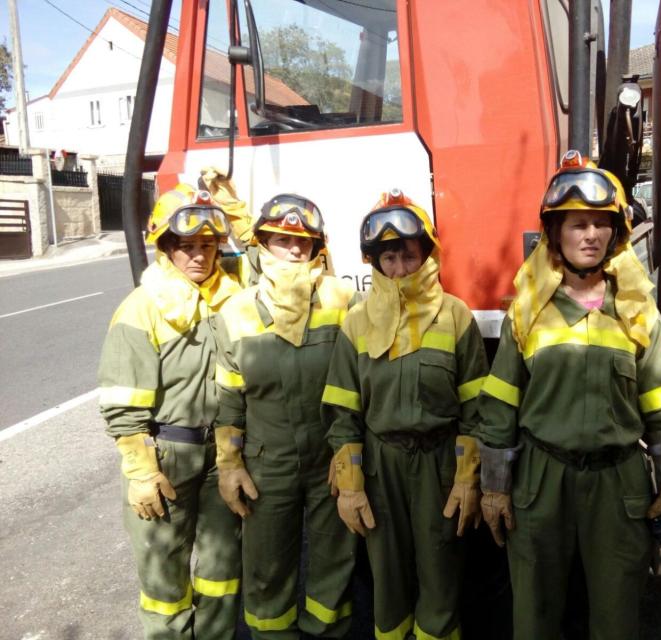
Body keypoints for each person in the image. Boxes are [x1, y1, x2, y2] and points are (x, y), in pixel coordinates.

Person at [475, 151, 661, 640]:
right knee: (534, 611)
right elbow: (499, 408)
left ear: (616, 234)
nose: (590, 235)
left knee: (618, 614)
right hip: (541, 479)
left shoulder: (637, 311)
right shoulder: (527, 313)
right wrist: (493, 486)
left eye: (601, 224)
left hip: (619, 485)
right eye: (577, 224)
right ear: (555, 233)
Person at [322, 189, 489, 640]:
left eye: (408, 256)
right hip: (380, 467)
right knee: (388, 577)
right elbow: (344, 412)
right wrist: (350, 485)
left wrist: (468, 476)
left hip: (439, 465)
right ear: (374, 262)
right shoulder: (356, 322)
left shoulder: (456, 317)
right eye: (388, 258)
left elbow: (476, 410)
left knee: (441, 572)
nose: (399, 269)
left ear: (427, 256)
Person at [98, 185, 243, 639]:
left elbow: (286, 252)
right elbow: (123, 403)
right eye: (186, 247)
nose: (198, 256)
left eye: (207, 245)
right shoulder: (143, 307)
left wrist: (231, 205)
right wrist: (142, 471)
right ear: (165, 249)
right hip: (166, 457)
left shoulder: (233, 297)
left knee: (222, 570)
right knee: (165, 579)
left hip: (222, 456)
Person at [212, 193, 358, 639]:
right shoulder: (235, 311)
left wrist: (352, 457)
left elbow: (358, 383)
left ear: (318, 248)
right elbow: (229, 400)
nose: (295, 250)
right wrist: (230, 464)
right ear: (260, 243)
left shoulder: (342, 299)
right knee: (266, 569)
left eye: (304, 241)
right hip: (266, 464)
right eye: (282, 240)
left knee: (335, 565)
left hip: (328, 459)